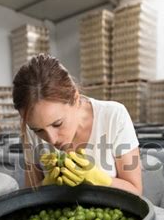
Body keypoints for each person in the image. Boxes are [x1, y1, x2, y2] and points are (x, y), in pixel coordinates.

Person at [12, 54, 143, 196]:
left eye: (57, 124)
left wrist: (100, 179)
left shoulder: (113, 116)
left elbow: (136, 191)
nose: (51, 139)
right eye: (38, 130)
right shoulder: (31, 130)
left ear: (75, 98)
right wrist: (46, 184)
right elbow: (27, 196)